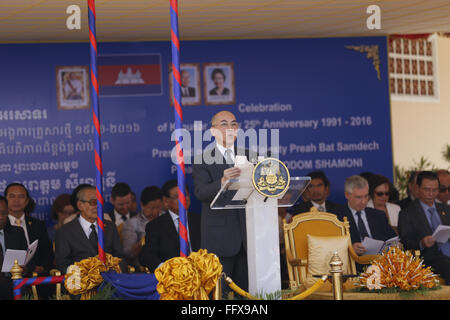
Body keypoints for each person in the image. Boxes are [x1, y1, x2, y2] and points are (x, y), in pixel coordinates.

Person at [192, 110, 249, 294]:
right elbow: (201, 193)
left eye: (234, 124)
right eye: (224, 124)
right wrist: (222, 181)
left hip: (250, 239)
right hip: (221, 240)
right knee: (220, 294)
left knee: (249, 295)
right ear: (213, 131)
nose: (230, 128)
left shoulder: (250, 156)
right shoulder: (203, 160)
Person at [54, 184, 126, 273]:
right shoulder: (65, 231)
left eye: (100, 202)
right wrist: (84, 273)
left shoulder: (110, 227)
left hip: (109, 280)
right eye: (93, 202)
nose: (97, 206)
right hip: (80, 282)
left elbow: (120, 257)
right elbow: (62, 264)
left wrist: (113, 269)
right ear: (80, 205)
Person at [398, 171, 450, 284]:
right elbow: (406, 241)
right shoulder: (407, 213)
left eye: (435, 190)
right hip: (428, 257)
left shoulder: (446, 209)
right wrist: (421, 243)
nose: (431, 194)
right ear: (417, 188)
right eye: (427, 190)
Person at [139, 180, 200, 272]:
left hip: (199, 272)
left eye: (186, 194)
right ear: (165, 201)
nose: (183, 198)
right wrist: (164, 268)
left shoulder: (200, 220)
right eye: (177, 196)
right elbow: (147, 256)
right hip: (172, 276)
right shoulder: (155, 226)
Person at [339, 175, 397, 269]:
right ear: (347, 195)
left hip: (381, 266)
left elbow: (393, 239)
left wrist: (395, 244)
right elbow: (331, 247)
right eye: (359, 197)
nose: (363, 201)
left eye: (366, 196)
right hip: (353, 267)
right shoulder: (337, 217)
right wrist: (350, 249)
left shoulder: (378, 215)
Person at [5, 183, 54, 275]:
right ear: (5, 200)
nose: (16, 200)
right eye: (12, 196)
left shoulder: (38, 225)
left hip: (36, 275)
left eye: (21, 196)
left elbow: (47, 252)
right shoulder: (2, 224)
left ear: (27, 201)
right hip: (9, 275)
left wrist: (42, 267)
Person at [122, 186, 163, 268]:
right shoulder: (132, 223)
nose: (155, 212)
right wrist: (145, 240)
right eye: (151, 208)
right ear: (142, 205)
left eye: (158, 208)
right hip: (142, 267)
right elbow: (128, 253)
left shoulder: (166, 219)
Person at [0, 196, 28, 300]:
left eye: (3, 213)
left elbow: (28, 260)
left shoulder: (17, 232)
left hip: (14, 283)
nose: (0, 217)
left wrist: (25, 268)